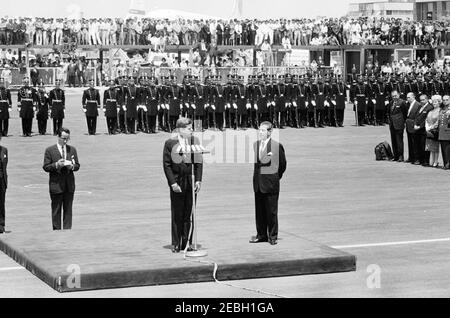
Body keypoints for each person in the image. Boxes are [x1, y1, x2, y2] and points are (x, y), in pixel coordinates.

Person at [163, 118, 203, 253]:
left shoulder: (194, 142)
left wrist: (198, 180)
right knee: (177, 214)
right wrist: (172, 183)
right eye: (188, 128)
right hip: (177, 182)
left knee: (189, 213)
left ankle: (187, 243)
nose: (191, 130)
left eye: (191, 128)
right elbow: (167, 165)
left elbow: (198, 162)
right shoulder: (170, 143)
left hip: (191, 181)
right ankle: (176, 243)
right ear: (180, 129)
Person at [250, 121, 287, 245]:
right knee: (259, 211)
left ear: (270, 132)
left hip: (271, 183)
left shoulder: (276, 146)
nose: (260, 133)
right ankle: (261, 235)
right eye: (259, 130)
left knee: (271, 211)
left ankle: (272, 236)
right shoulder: (256, 145)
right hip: (258, 183)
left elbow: (282, 165)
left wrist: (275, 177)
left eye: (263, 130)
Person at [43, 128, 80, 230]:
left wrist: (72, 166)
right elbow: (46, 167)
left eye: (67, 139)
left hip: (69, 185)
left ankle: (68, 231)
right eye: (63, 138)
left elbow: (77, 165)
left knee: (68, 210)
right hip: (56, 185)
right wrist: (56, 165)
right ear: (58, 137)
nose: (65, 141)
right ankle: (57, 230)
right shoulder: (50, 150)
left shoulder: (72, 150)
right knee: (56, 210)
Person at [413, 95, 433, 166]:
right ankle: (420, 160)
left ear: (427, 99)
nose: (421, 101)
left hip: (424, 129)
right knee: (417, 145)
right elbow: (416, 116)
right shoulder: (420, 106)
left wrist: (419, 126)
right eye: (420, 100)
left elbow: (427, 119)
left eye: (423, 100)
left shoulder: (430, 107)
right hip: (417, 129)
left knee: (424, 145)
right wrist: (415, 124)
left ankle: (425, 161)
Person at [388, 90, 407, 162]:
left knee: (399, 141)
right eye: (393, 96)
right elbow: (389, 113)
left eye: (395, 96)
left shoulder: (402, 102)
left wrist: (403, 122)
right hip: (392, 124)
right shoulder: (391, 103)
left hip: (399, 124)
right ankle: (395, 156)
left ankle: (400, 156)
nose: (394, 97)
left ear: (398, 95)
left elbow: (405, 113)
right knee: (393, 140)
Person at [425, 95, 441, 167]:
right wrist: (427, 127)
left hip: (435, 130)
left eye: (436, 102)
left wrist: (432, 127)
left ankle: (436, 161)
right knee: (431, 146)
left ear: (439, 102)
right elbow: (427, 120)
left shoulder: (440, 111)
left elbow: (438, 121)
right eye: (433, 102)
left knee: (435, 146)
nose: (434, 103)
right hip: (429, 130)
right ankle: (432, 160)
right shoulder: (430, 111)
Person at [405, 92, 421, 164]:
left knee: (415, 143)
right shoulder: (408, 104)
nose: (408, 99)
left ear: (413, 97)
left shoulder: (418, 104)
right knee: (410, 142)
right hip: (408, 125)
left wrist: (415, 124)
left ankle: (416, 158)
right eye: (407, 97)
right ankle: (411, 157)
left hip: (414, 125)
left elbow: (418, 116)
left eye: (409, 97)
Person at [438, 95, 450, 170]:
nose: (445, 101)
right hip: (442, 131)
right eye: (444, 100)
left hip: (448, 131)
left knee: (448, 149)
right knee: (443, 149)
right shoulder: (442, 109)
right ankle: (445, 163)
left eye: (447, 100)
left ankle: (448, 164)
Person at [0, 135, 7, 234]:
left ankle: (1, 225)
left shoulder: (4, 150)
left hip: (1, 180)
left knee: (1, 203)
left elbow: (5, 165)